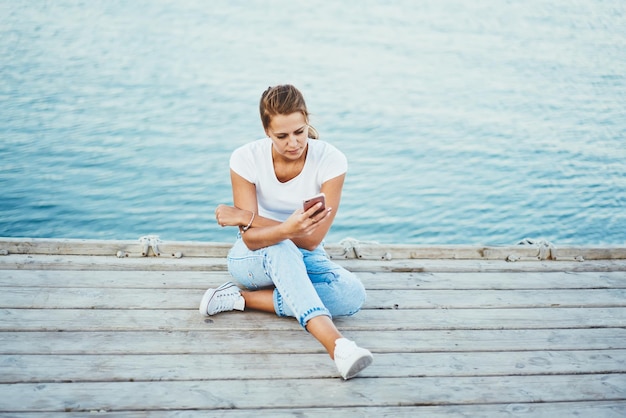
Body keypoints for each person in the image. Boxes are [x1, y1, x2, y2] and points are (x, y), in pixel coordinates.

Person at [199, 84, 373, 380]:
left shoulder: (331, 160)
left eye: (300, 132)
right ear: (267, 131)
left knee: (351, 294)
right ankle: (337, 345)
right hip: (251, 259)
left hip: (306, 251)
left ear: (307, 122)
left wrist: (246, 216)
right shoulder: (245, 158)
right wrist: (284, 229)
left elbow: (313, 239)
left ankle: (241, 299)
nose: (294, 143)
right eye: (282, 136)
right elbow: (251, 239)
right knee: (280, 245)